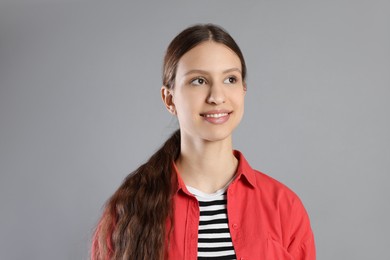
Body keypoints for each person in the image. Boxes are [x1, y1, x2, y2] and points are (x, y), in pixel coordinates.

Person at [91, 24, 315, 260]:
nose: (217, 97)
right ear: (169, 99)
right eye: (198, 81)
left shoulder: (284, 206)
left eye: (230, 79)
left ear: (244, 90)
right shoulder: (129, 209)